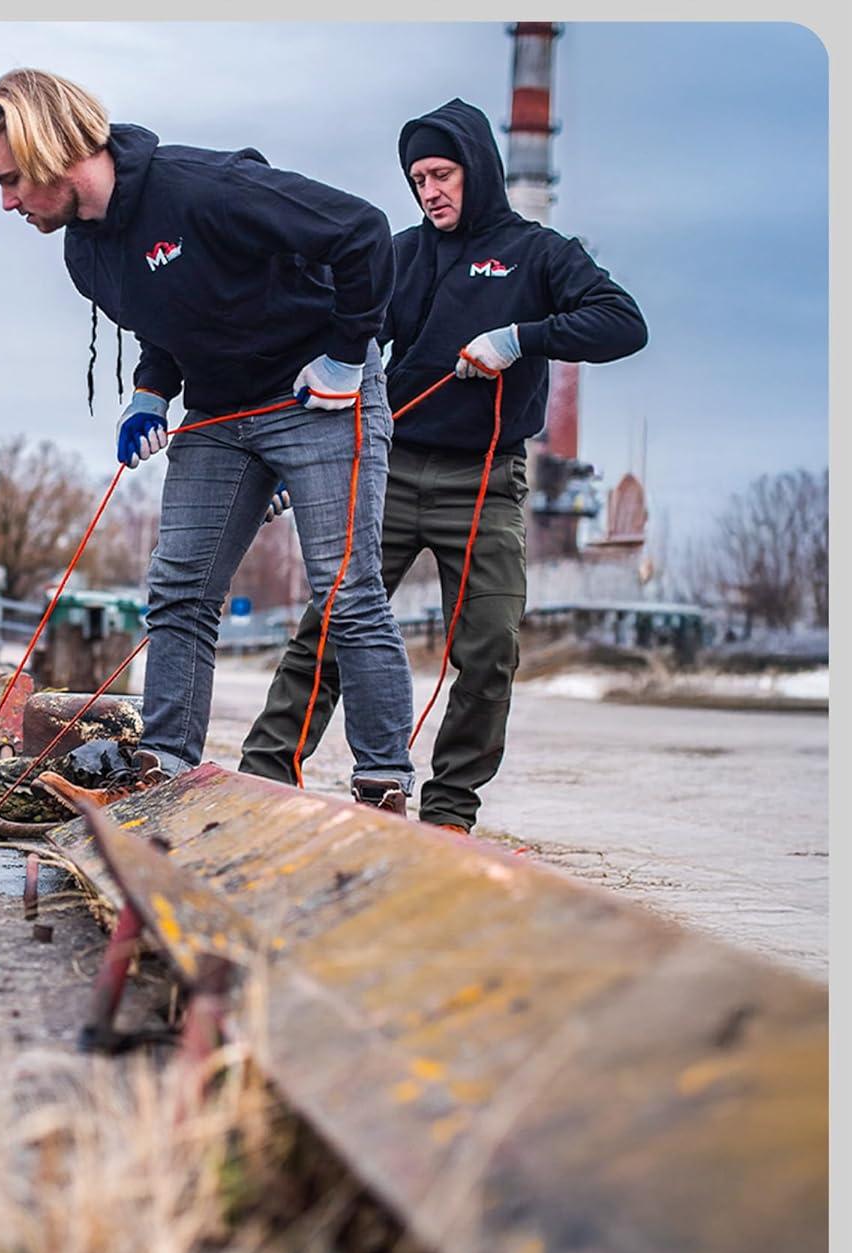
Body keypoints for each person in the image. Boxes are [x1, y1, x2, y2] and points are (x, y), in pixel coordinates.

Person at [0, 69, 416, 812]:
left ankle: (385, 784)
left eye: (13, 181)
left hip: (317, 394)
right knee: (178, 591)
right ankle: (166, 766)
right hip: (216, 415)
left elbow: (363, 232)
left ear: (56, 153)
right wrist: (150, 392)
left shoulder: (207, 187)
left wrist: (344, 354)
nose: (7, 201)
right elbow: (165, 319)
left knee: (345, 591)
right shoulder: (86, 255)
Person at [238, 98, 648, 833]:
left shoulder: (541, 253)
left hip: (486, 483)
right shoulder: (398, 255)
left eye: (441, 173)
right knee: (331, 625)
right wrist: (289, 459)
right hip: (387, 468)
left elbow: (624, 323)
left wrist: (521, 338)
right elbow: (338, 350)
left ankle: (450, 814)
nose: (429, 190)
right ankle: (265, 776)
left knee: (491, 648)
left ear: (478, 169)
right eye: (417, 177)